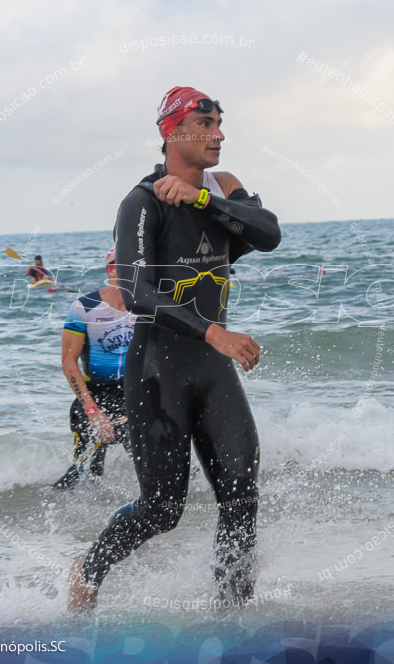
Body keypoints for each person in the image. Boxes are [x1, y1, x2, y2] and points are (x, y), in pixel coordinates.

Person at [68, 87, 282, 611]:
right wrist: (214, 333)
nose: (218, 134)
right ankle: (88, 569)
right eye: (205, 123)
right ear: (173, 131)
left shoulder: (222, 189)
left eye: (219, 123)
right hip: (157, 372)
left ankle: (231, 617)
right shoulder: (141, 202)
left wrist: (204, 198)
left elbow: (269, 233)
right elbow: (139, 292)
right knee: (162, 510)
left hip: (214, 372)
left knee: (241, 496)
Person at [52, 248, 136, 490]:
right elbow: (69, 363)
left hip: (136, 393)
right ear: (112, 270)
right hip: (96, 394)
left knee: (155, 463)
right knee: (85, 470)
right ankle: (63, 513)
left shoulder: (146, 306)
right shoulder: (85, 307)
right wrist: (93, 412)